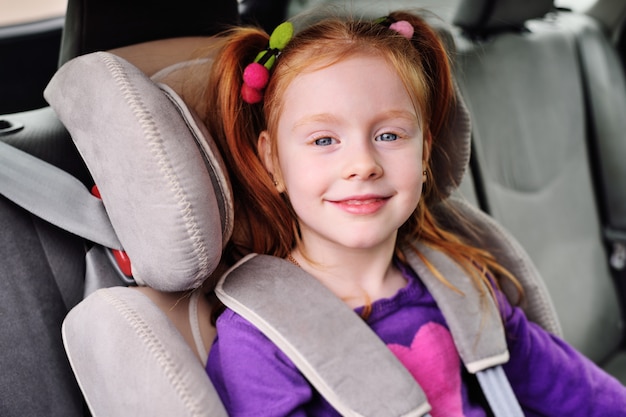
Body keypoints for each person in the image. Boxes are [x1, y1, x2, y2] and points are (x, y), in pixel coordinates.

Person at [201, 10, 626, 416]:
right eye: (324, 140)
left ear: (423, 153)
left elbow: (584, 396)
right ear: (273, 160)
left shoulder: (461, 284)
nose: (363, 163)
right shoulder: (260, 340)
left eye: (389, 134)